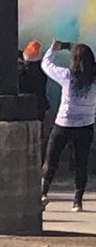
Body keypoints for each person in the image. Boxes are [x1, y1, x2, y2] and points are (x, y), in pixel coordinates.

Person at [40, 41, 96, 212]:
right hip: (86, 125)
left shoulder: (66, 76)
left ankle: (43, 193)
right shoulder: (94, 79)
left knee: (51, 160)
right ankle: (77, 201)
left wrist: (54, 49)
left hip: (63, 124)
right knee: (81, 164)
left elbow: (46, 65)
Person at [19, 40, 50, 158]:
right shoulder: (42, 70)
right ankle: (38, 158)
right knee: (37, 136)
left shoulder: (23, 70)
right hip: (39, 106)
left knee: (25, 136)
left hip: (24, 107)